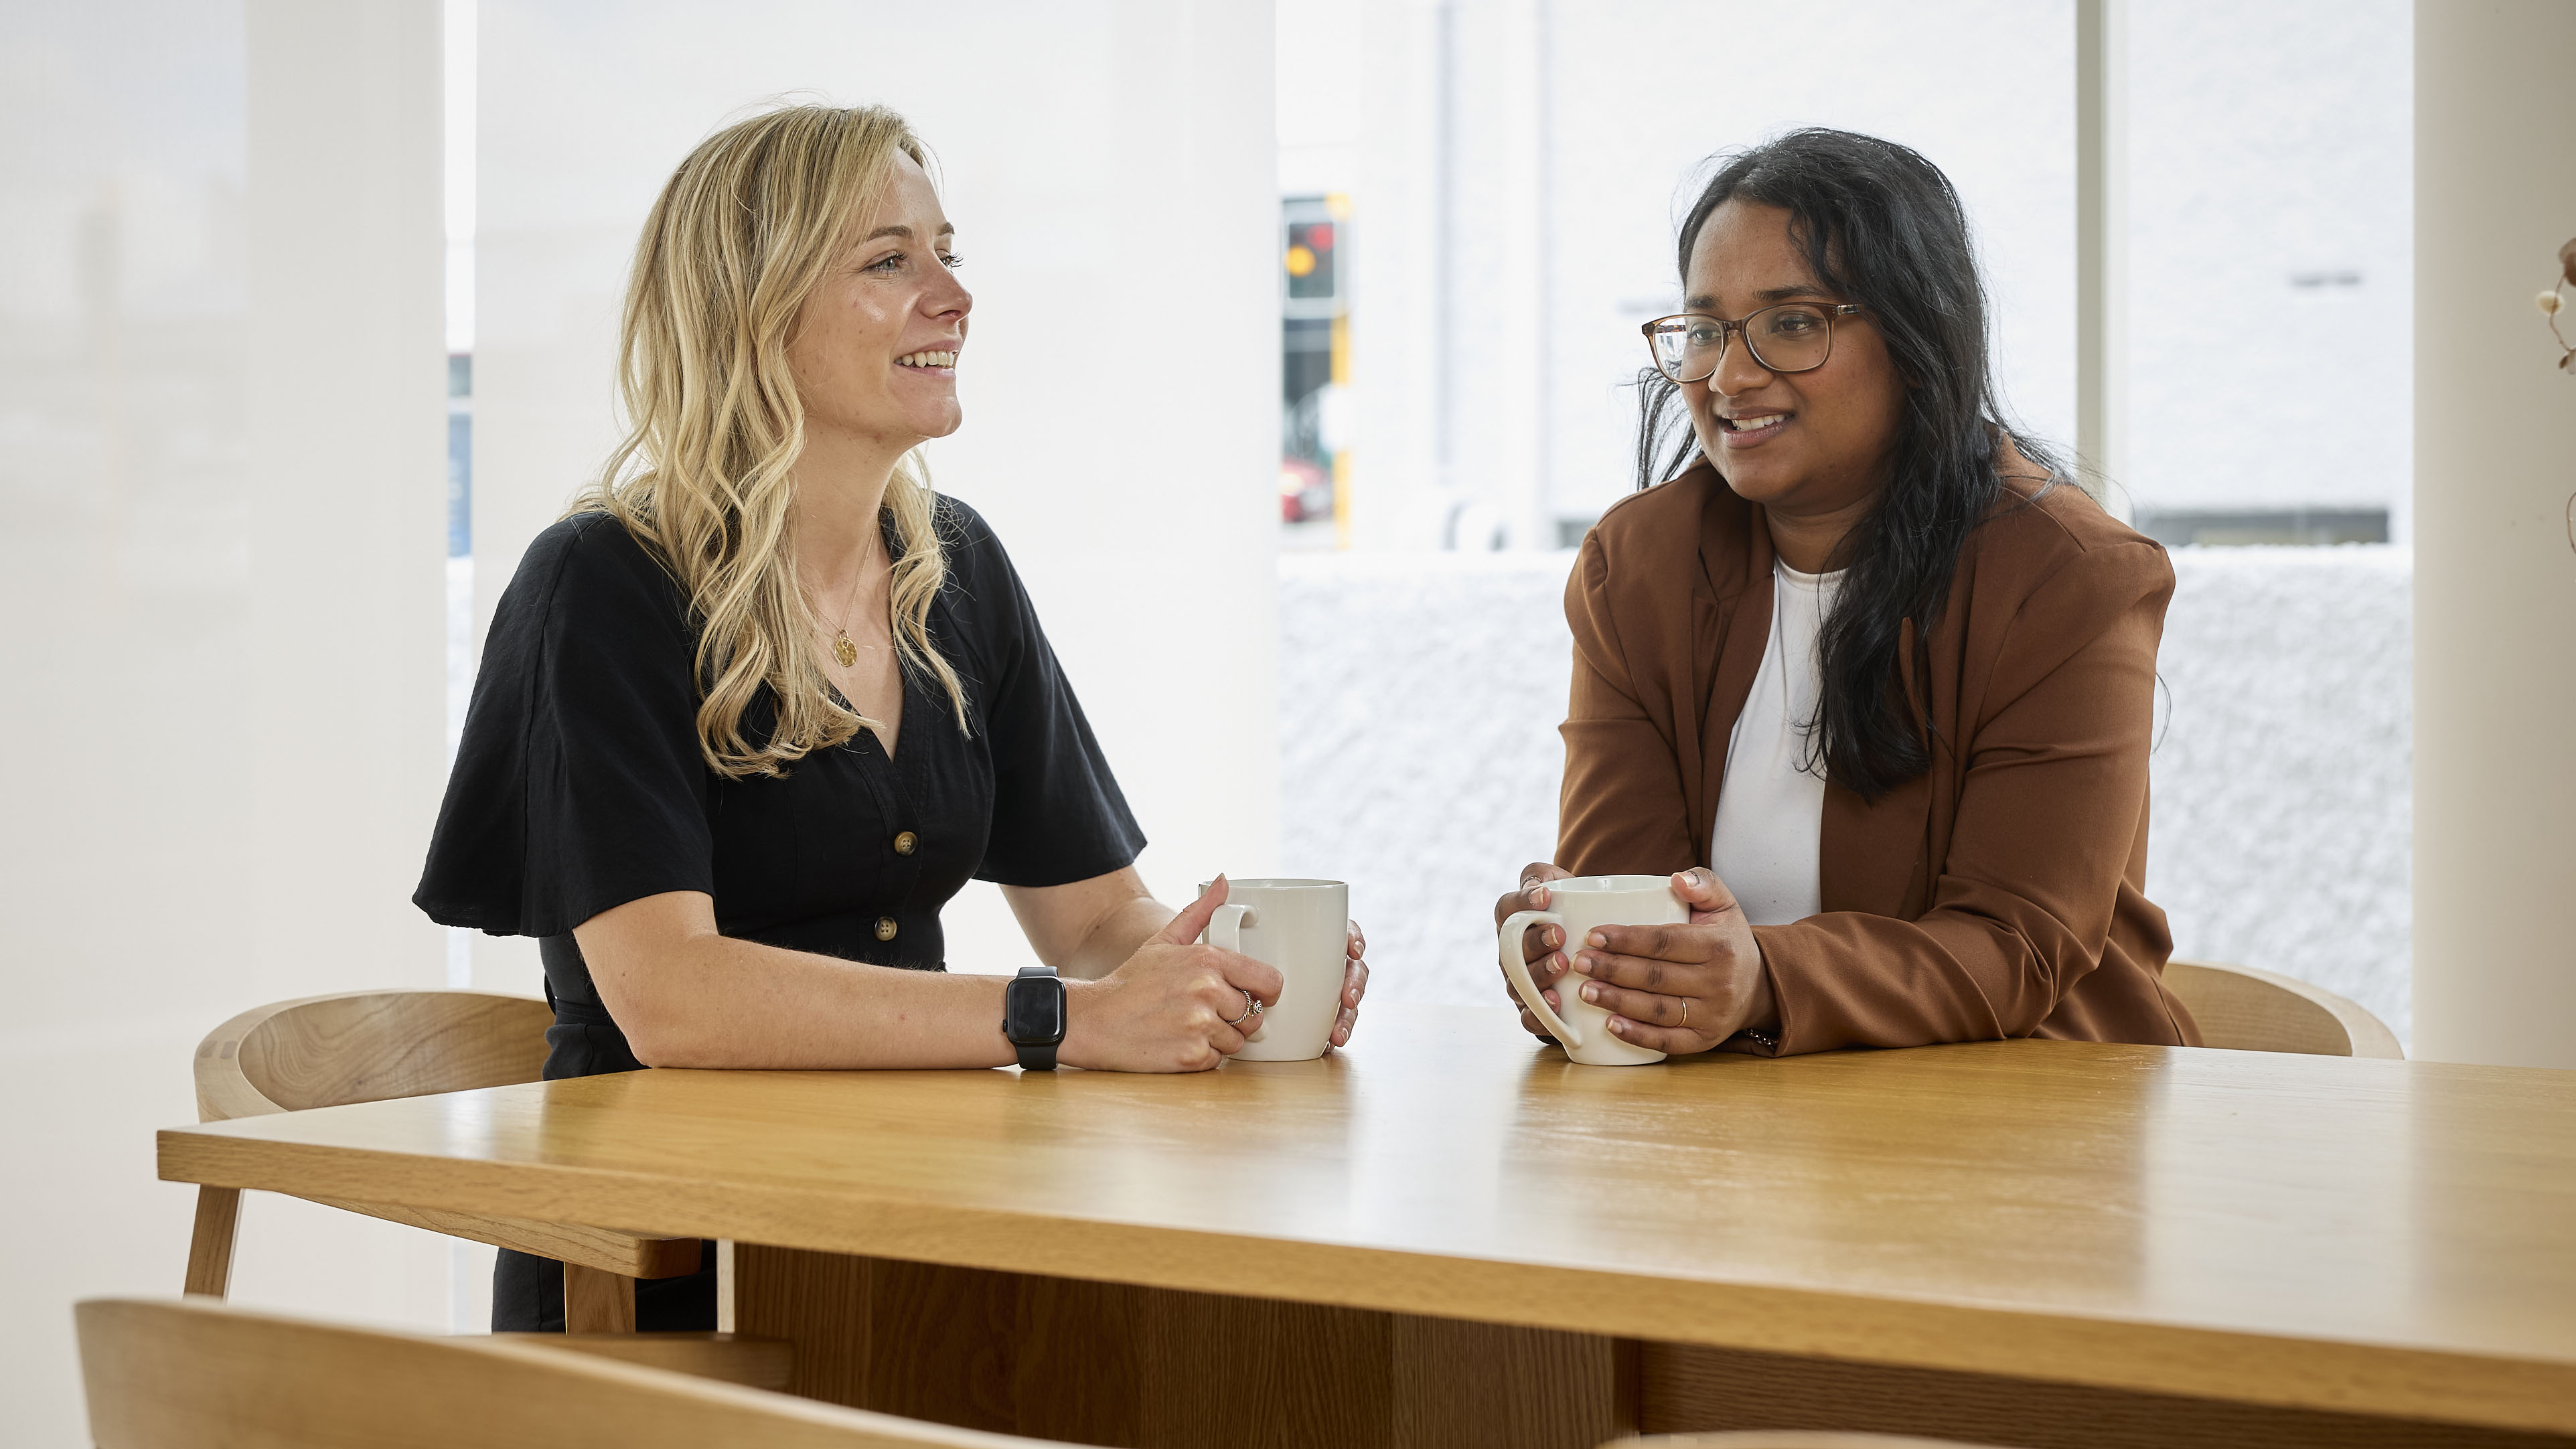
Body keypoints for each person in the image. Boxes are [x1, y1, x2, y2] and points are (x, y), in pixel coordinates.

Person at [416, 103, 1369, 1331]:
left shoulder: (955, 569)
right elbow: (673, 997)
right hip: (662, 1266)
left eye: (948, 253)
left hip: (903, 1224)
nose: (954, 297)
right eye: (888, 260)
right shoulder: (603, 585)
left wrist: (1220, 977)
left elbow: (1093, 919)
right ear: (753, 309)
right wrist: (1061, 1021)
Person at [1495, 129, 2196, 1059]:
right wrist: (1585, 955)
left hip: (2033, 1108)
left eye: (1792, 323)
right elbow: (1628, 894)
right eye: (1705, 331)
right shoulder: (1641, 566)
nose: (1731, 377)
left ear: (1914, 336)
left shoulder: (2070, 577)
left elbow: (2019, 944)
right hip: (1739, 1123)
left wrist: (1762, 979)